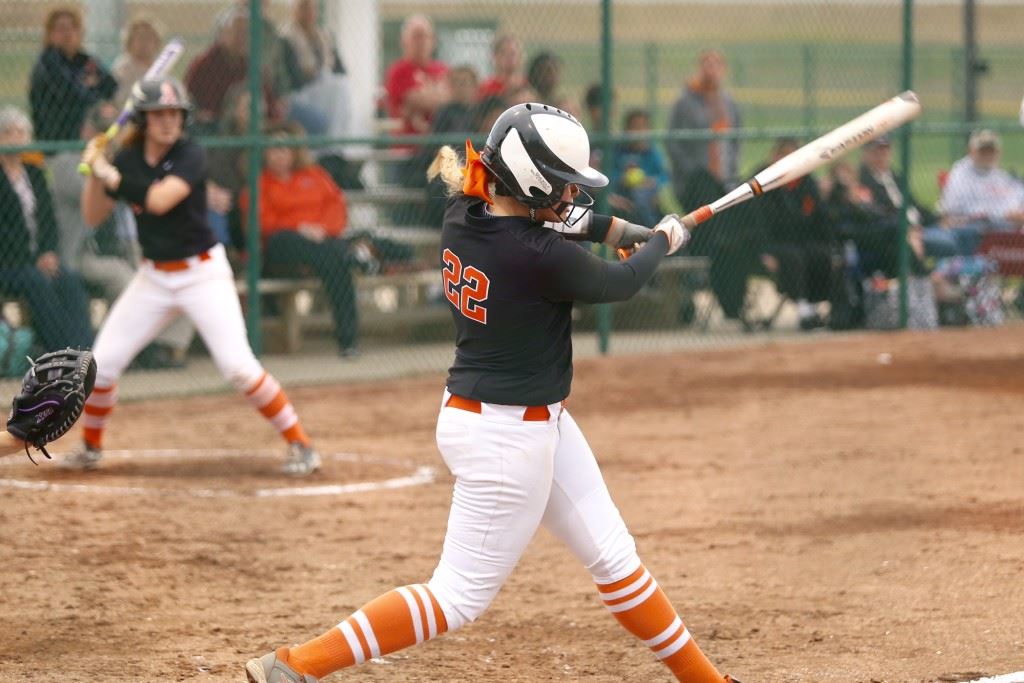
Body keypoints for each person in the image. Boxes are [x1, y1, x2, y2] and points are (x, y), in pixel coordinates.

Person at [244, 103, 742, 683]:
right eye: (562, 186)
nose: (569, 197)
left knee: (614, 559)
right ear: (530, 182)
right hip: (508, 439)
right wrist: (662, 238)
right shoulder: (537, 256)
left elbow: (566, 222)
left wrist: (619, 229)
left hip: (519, 420)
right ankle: (296, 666)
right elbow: (623, 281)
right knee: (454, 597)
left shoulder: (468, 212)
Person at [69, 77, 320, 476]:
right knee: (102, 364)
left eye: (175, 114)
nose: (169, 122)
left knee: (238, 367)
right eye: (159, 114)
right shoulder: (128, 160)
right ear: (143, 120)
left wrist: (111, 174)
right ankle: (90, 447)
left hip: (201, 273)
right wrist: (96, 172)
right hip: (153, 277)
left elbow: (157, 200)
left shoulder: (190, 155)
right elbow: (92, 214)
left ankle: (301, 444)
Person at [49, 105, 195, 369]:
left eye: (110, 130)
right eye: (99, 129)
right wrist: (101, 165)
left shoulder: (126, 161)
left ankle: (163, 347)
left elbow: (146, 191)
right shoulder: (67, 163)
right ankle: (130, 352)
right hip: (86, 253)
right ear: (87, 131)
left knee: (177, 276)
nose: (106, 135)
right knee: (124, 279)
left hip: (127, 247)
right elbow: (100, 194)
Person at [240, 123, 358, 356]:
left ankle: (348, 342)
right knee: (298, 243)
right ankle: (354, 257)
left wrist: (322, 229)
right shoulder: (259, 183)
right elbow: (261, 224)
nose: (279, 155)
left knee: (335, 261)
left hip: (321, 245)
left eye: (284, 148)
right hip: (281, 252)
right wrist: (298, 228)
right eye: (273, 149)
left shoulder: (314, 175)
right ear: (264, 153)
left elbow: (337, 206)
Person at [0, 106, 94, 351]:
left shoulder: (35, 174)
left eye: (21, 133)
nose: (16, 138)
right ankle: (63, 351)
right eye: (8, 132)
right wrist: (33, 260)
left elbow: (48, 221)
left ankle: (85, 351)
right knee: (36, 282)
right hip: (10, 264)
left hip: (38, 259)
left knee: (69, 280)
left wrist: (49, 252)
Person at [759, 138, 838, 330]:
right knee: (794, 258)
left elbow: (819, 217)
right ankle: (804, 310)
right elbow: (758, 223)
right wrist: (763, 252)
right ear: (774, 157)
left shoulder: (805, 181)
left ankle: (813, 307)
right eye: (783, 155)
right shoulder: (763, 182)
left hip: (801, 241)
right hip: (773, 244)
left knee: (820, 254)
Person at [28, 6, 118, 143]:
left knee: (108, 111)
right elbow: (72, 94)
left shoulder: (84, 59)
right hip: (58, 139)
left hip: (87, 131)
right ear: (50, 34)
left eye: (73, 28)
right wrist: (90, 86)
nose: (68, 34)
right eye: (61, 29)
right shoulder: (48, 61)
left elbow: (111, 85)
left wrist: (90, 91)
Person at [826, 159, 926, 279]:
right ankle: (921, 275)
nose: (847, 183)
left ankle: (916, 278)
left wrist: (859, 202)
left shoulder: (861, 198)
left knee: (895, 243)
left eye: (849, 178)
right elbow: (845, 229)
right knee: (895, 231)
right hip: (858, 242)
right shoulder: (834, 203)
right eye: (841, 180)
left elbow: (877, 214)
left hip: (876, 239)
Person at [666, 49, 742, 208]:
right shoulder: (686, 102)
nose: (711, 70)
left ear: (723, 70)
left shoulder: (728, 103)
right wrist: (692, 172)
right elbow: (673, 142)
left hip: (726, 178)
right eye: (707, 65)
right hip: (694, 182)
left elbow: (736, 140)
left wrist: (732, 168)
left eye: (716, 65)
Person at [857, 136, 947, 259]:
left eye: (885, 151)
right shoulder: (863, 181)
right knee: (948, 244)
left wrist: (938, 220)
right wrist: (908, 229)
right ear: (866, 154)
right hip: (899, 232)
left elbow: (915, 204)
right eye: (876, 151)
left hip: (920, 226)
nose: (881, 155)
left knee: (962, 233)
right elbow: (879, 213)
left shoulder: (896, 177)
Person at [937, 129, 1024, 254]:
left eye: (991, 151)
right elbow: (955, 210)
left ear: (998, 152)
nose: (987, 155)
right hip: (973, 229)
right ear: (971, 151)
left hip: (1005, 227)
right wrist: (1004, 215)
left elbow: (1016, 197)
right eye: (983, 151)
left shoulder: (999, 175)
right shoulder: (960, 174)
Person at [279, 0, 350, 142]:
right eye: (303, 7)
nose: (308, 13)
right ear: (294, 11)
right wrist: (310, 75)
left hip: (327, 89)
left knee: (341, 87)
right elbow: (290, 75)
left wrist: (322, 75)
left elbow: (341, 70)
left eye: (312, 8)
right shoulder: (286, 38)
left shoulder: (324, 37)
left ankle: (337, 145)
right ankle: (327, 144)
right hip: (301, 93)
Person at [384, 14, 450, 139]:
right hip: (409, 144)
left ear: (433, 41)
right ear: (404, 41)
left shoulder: (443, 69)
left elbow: (452, 100)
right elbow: (414, 101)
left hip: (439, 143)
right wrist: (439, 96)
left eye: (426, 36)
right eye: (416, 36)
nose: (422, 41)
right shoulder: (398, 71)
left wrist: (426, 98)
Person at [608, 108, 670, 228]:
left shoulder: (651, 152)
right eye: (635, 127)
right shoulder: (619, 151)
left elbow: (663, 175)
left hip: (647, 198)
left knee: (642, 194)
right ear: (626, 129)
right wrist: (622, 178)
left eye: (643, 127)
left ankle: (650, 231)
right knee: (637, 194)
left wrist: (652, 181)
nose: (639, 131)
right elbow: (609, 174)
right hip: (622, 196)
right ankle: (649, 232)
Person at [111, 16, 163, 109]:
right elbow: (119, 99)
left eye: (148, 38)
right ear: (129, 42)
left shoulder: (161, 66)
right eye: (140, 38)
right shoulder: (123, 68)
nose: (144, 43)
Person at [477, 33, 525, 100]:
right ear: (495, 57)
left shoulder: (527, 85)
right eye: (503, 53)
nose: (509, 57)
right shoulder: (486, 88)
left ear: (520, 57)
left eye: (513, 53)